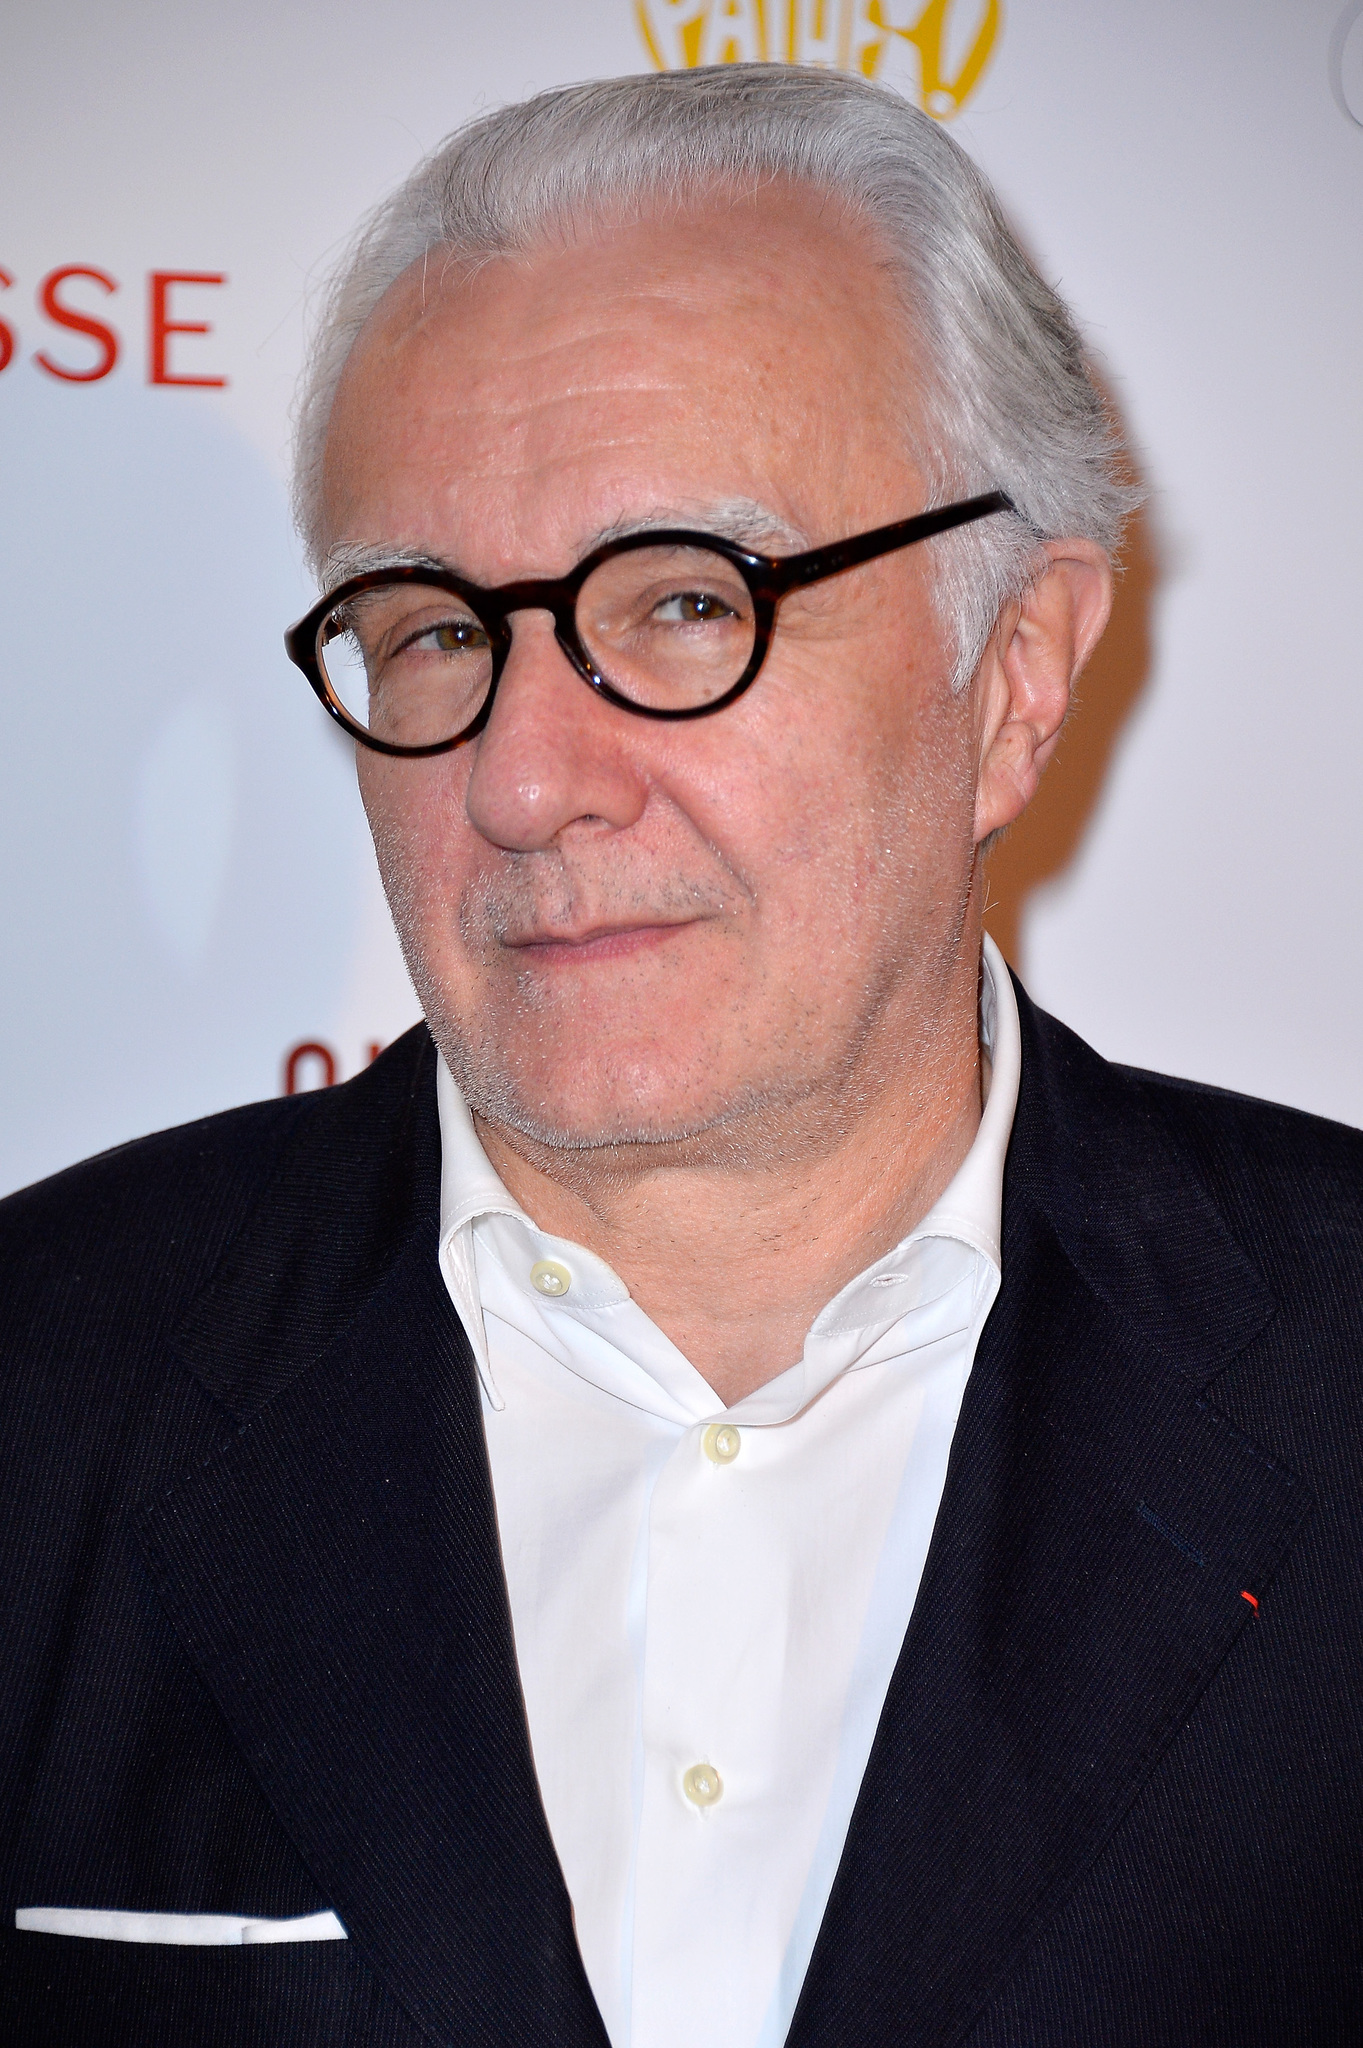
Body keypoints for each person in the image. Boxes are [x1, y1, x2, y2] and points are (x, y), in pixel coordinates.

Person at [2, 62, 1360, 2048]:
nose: (521, 779)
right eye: (433, 630)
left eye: (681, 605)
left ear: (1013, 673)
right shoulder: (42, 1378)